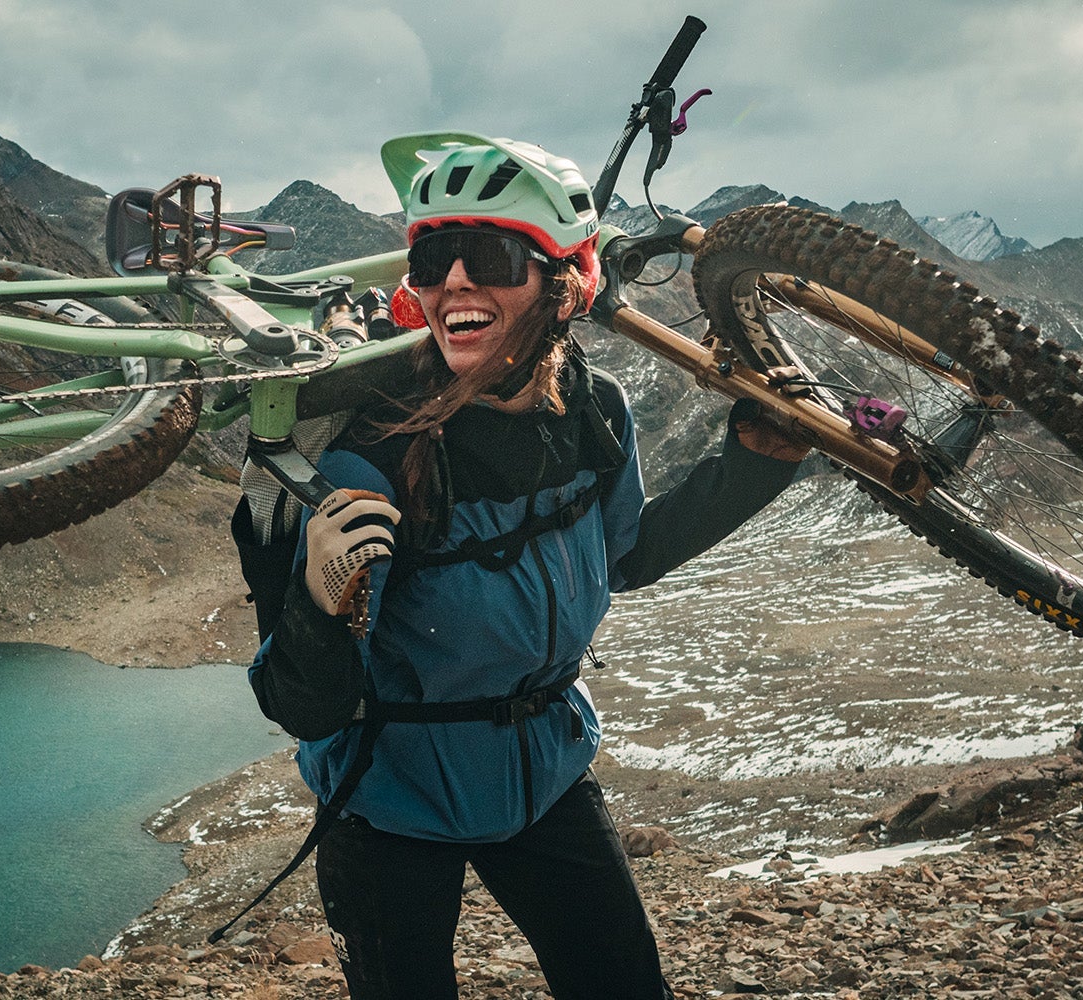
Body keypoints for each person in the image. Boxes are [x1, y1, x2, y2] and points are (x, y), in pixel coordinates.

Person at [235, 132, 812, 1000]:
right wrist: (323, 602)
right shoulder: (372, 459)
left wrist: (754, 464)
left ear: (564, 281)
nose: (454, 283)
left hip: (544, 773)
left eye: (491, 255)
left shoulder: (593, 408)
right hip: (388, 799)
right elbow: (305, 708)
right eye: (432, 260)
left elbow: (625, 555)